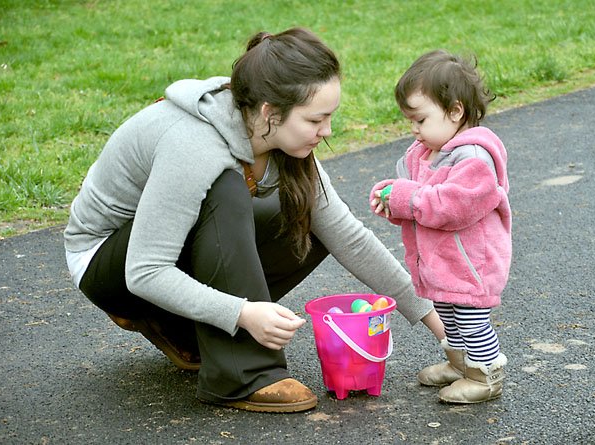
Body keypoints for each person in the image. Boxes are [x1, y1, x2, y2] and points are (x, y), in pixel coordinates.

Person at [63, 27, 445, 413]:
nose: (326, 131)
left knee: (308, 221)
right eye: (316, 120)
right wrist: (242, 312)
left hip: (166, 254)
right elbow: (144, 271)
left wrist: (438, 324)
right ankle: (246, 374)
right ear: (270, 111)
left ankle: (184, 330)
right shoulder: (195, 145)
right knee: (226, 191)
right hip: (109, 263)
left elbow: (350, 237)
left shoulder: (278, 138)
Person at [370, 49, 511, 404]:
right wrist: (390, 199)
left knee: (472, 321)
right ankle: (461, 364)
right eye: (410, 121)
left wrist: (405, 198)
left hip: (470, 264)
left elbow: (450, 206)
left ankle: (485, 374)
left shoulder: (475, 158)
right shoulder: (424, 153)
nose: (413, 130)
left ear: (455, 111)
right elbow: (415, 198)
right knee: (449, 315)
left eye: (419, 120)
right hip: (441, 264)